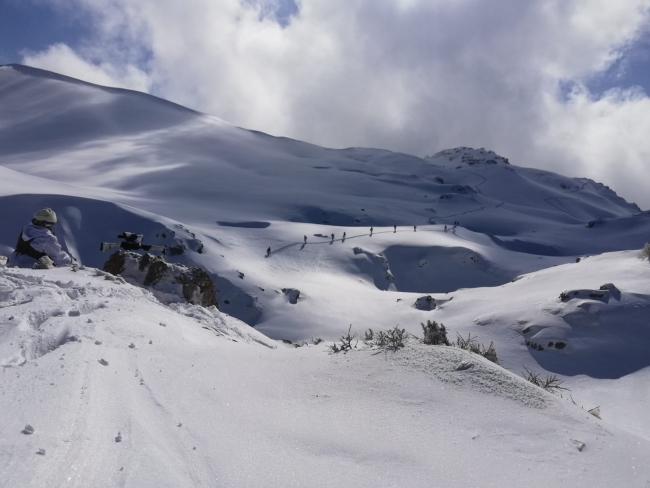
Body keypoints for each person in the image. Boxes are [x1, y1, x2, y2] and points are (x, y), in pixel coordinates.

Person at [8, 208, 72, 268]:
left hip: (13, 262)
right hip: (30, 267)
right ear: (47, 224)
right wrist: (70, 261)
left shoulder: (27, 228)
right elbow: (58, 257)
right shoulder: (47, 238)